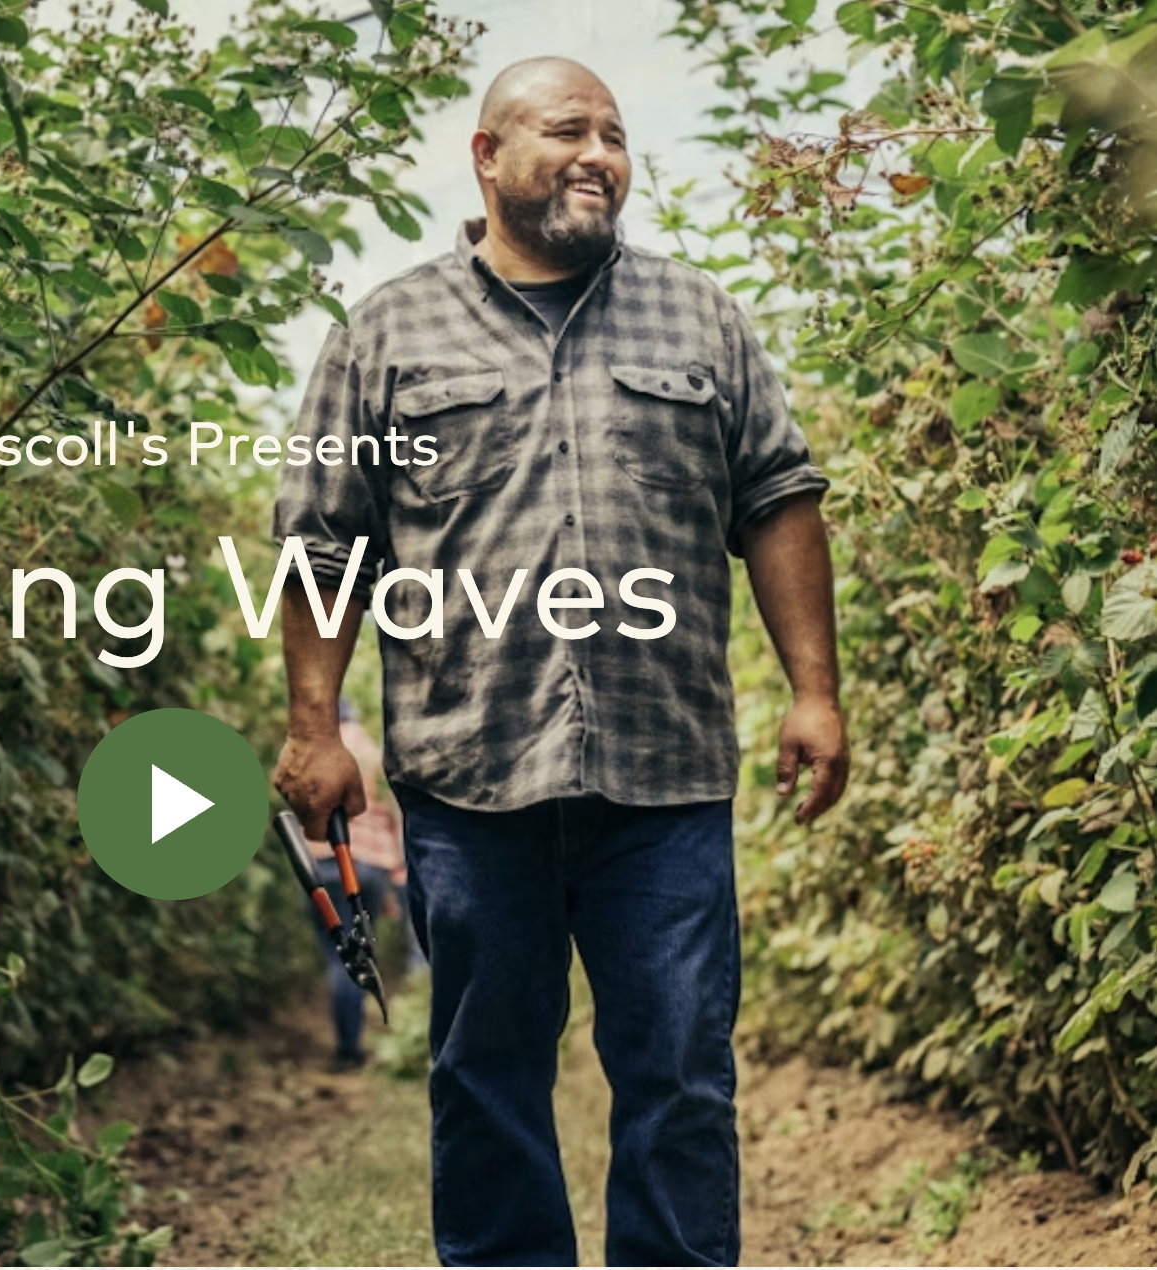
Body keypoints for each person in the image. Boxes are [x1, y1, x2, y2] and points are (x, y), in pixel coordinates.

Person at [271, 57, 849, 1267]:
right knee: (483, 1078)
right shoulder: (388, 331)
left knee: (682, 1079)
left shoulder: (698, 316)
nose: (598, 153)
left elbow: (778, 498)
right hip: (470, 784)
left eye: (616, 135)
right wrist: (314, 728)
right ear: (486, 157)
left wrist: (813, 691)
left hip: (665, 781)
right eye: (566, 129)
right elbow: (323, 541)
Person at [304, 698, 404, 1071]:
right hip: (372, 864)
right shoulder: (372, 752)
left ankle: (347, 1047)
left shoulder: (314, 753)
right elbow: (393, 813)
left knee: (337, 956)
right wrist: (396, 871)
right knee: (360, 955)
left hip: (325, 862)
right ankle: (353, 1041)